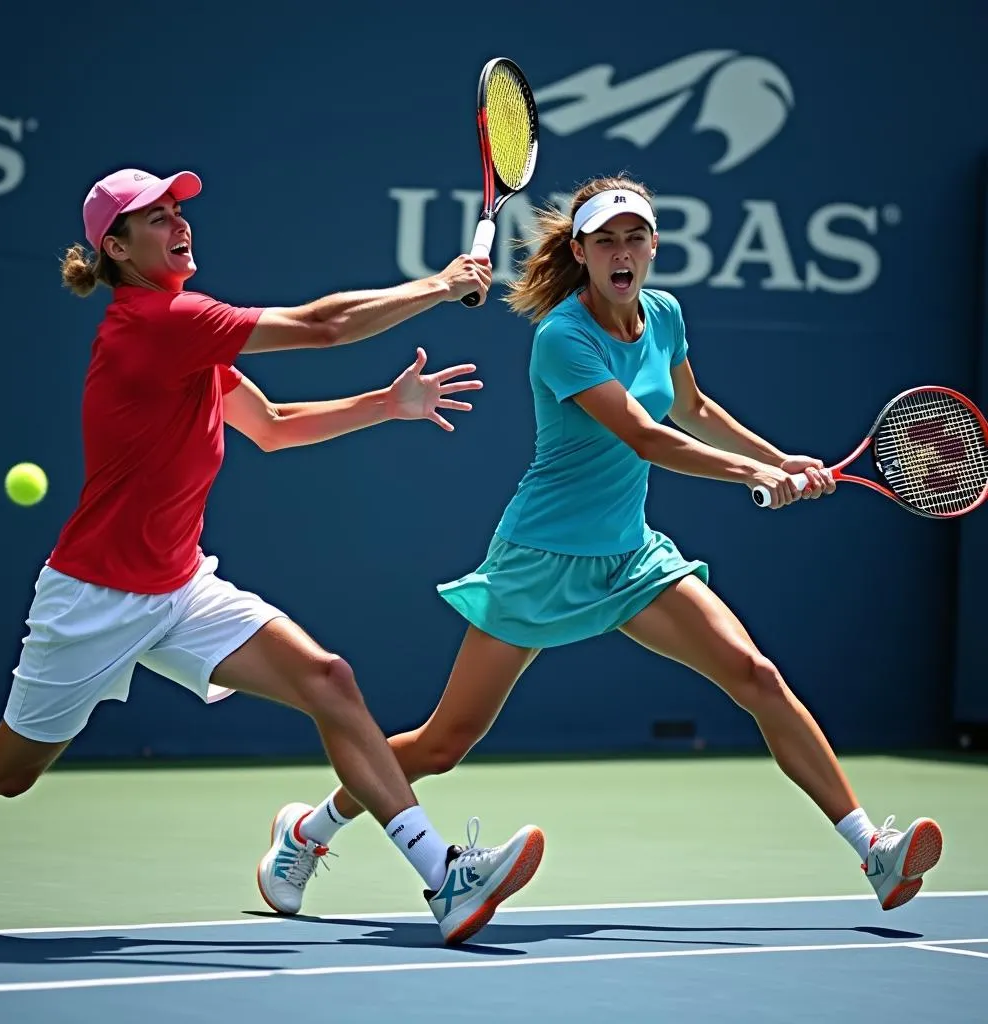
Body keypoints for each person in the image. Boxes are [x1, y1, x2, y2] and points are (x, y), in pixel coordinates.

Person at [278, 175, 943, 914]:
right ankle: (308, 831)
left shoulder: (663, 315)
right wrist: (752, 473)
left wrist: (780, 459)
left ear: (654, 246)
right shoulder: (562, 337)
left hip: (632, 557)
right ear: (583, 253)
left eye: (635, 237)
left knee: (755, 675)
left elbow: (691, 408)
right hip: (540, 560)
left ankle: (872, 852)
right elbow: (644, 434)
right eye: (606, 240)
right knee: (443, 743)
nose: (622, 252)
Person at [0, 166, 545, 946]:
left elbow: (269, 423)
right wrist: (439, 286)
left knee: (328, 680)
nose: (180, 224)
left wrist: (385, 405)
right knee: (6, 772)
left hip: (180, 587)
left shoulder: (186, 337)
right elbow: (323, 326)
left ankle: (444, 878)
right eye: (158, 218)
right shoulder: (160, 322)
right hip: (94, 597)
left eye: (180, 211)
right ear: (118, 247)